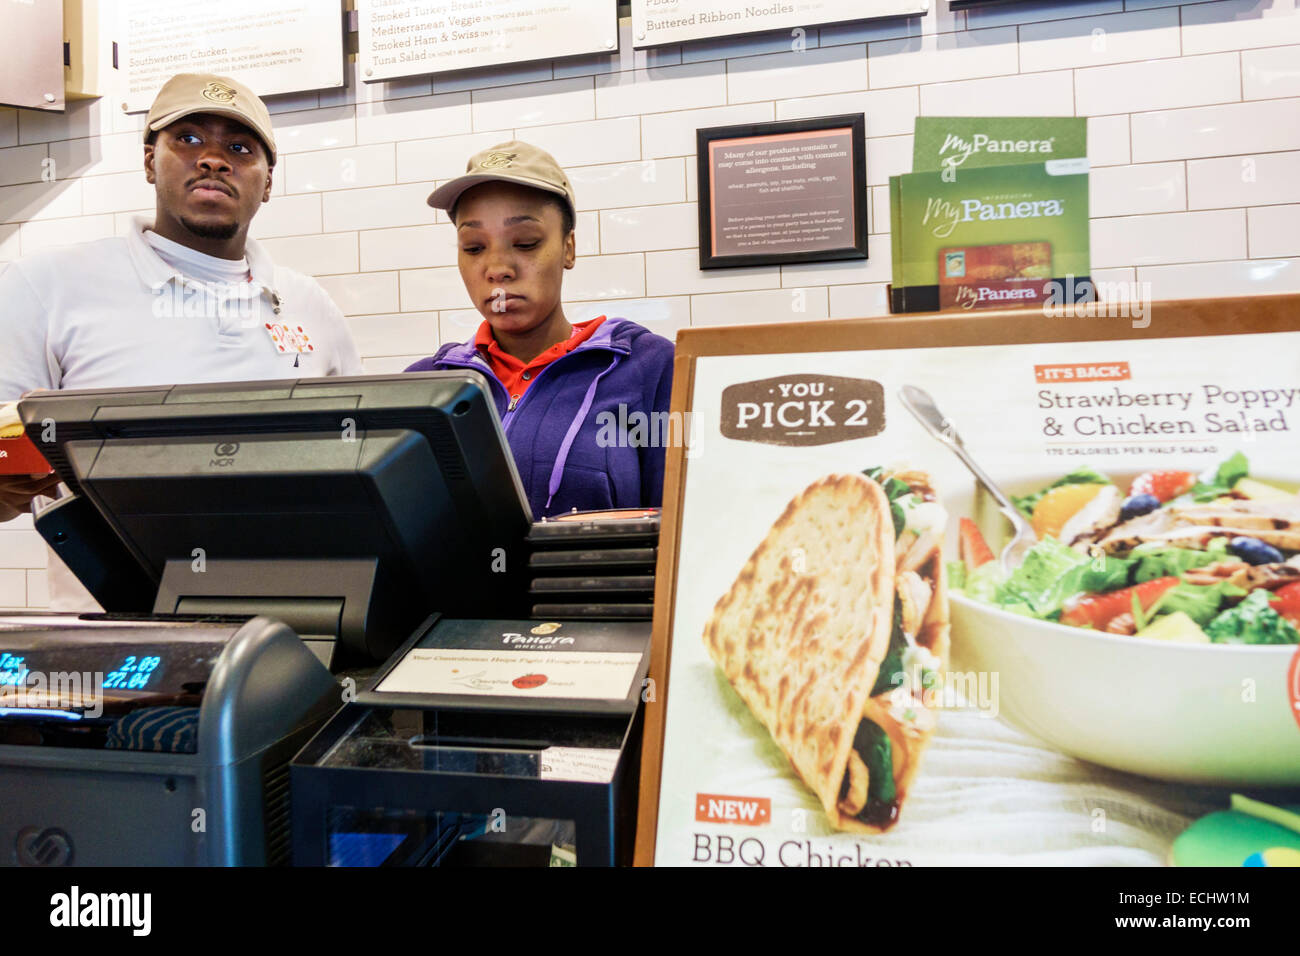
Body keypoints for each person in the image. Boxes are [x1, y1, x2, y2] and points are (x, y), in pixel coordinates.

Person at [0, 72, 363, 605]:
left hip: (293, 621)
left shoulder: (310, 304)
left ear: (267, 182)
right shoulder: (45, 286)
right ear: (150, 160)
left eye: (239, 148)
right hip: (113, 638)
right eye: (188, 139)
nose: (213, 159)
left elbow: (358, 466)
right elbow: (8, 462)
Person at [406, 141, 674, 518]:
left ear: (568, 248)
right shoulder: (424, 386)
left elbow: (684, 531)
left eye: (526, 243)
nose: (497, 267)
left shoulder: (650, 368)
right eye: (474, 247)